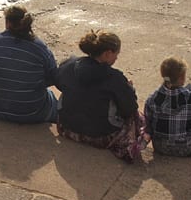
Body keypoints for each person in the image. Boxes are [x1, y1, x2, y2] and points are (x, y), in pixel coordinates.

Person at [56, 30, 146, 162]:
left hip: (66, 127)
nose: (116, 58)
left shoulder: (68, 65)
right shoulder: (114, 78)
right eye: (116, 54)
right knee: (137, 118)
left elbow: (59, 83)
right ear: (107, 53)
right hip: (100, 136)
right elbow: (129, 108)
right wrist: (129, 89)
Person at [0, 5, 58, 123]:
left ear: (7, 23)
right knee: (53, 99)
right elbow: (53, 77)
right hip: (29, 112)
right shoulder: (39, 47)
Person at [143, 56, 191, 160]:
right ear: (181, 78)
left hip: (160, 146)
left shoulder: (152, 99)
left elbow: (148, 121)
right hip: (186, 147)